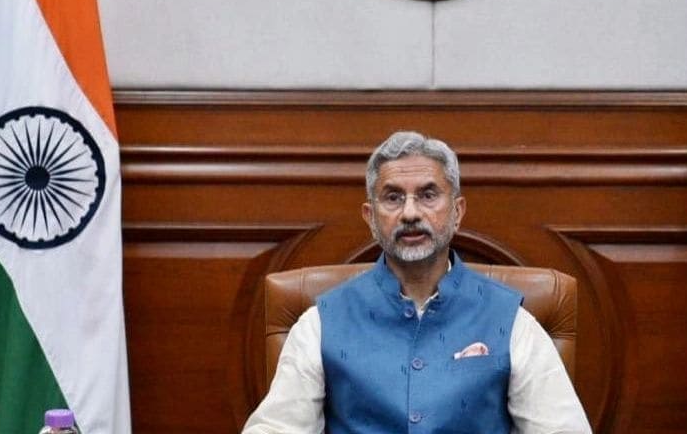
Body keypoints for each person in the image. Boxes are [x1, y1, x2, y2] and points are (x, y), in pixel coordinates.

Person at [243, 131, 592, 434]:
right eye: (393, 197)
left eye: (428, 195)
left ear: (457, 212)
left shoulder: (512, 322)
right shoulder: (320, 324)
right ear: (371, 217)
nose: (410, 213)